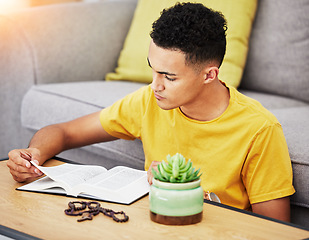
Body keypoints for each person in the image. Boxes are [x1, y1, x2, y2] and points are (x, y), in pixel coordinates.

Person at [7, 3, 295, 222]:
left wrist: (187, 191)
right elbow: (63, 132)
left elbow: (277, 229)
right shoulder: (150, 100)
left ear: (209, 75)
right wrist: (33, 156)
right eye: (152, 70)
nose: (155, 85)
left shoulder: (259, 129)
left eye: (169, 77)